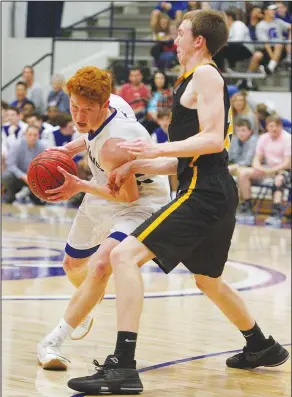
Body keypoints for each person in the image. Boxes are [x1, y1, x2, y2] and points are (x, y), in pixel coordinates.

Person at [68, 10, 289, 395]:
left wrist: (153, 147)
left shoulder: (205, 74)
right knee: (208, 279)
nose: (175, 38)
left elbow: (211, 139)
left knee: (123, 256)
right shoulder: (192, 79)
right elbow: (195, 155)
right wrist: (139, 162)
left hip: (202, 192)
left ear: (198, 40)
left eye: (182, 32)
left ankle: (123, 365)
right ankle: (260, 345)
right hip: (212, 187)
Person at [37, 66, 170, 370]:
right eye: (74, 107)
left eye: (87, 109)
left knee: (100, 265)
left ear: (104, 104)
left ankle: (52, 341)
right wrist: (63, 151)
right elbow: (88, 137)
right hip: (104, 186)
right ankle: (86, 301)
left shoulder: (115, 144)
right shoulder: (113, 108)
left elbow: (128, 197)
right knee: (72, 265)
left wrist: (79, 185)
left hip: (140, 203)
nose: (79, 116)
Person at [237, 115, 291, 227]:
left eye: (276, 126)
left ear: (280, 126)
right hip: (267, 169)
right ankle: (247, 207)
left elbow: (287, 163)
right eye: (271, 126)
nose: (274, 129)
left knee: (279, 179)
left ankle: (275, 212)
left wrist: (272, 170)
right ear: (267, 127)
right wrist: (258, 166)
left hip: (284, 170)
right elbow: (257, 158)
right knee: (243, 173)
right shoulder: (263, 138)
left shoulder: (288, 138)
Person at [2, 125, 46, 204]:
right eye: (30, 134)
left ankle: (36, 197)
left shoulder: (41, 147)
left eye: (35, 135)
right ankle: (10, 195)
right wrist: (23, 176)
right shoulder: (17, 145)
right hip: (17, 176)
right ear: (25, 135)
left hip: (33, 176)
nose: (32, 137)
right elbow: (11, 164)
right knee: (6, 176)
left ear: (38, 135)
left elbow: (43, 165)